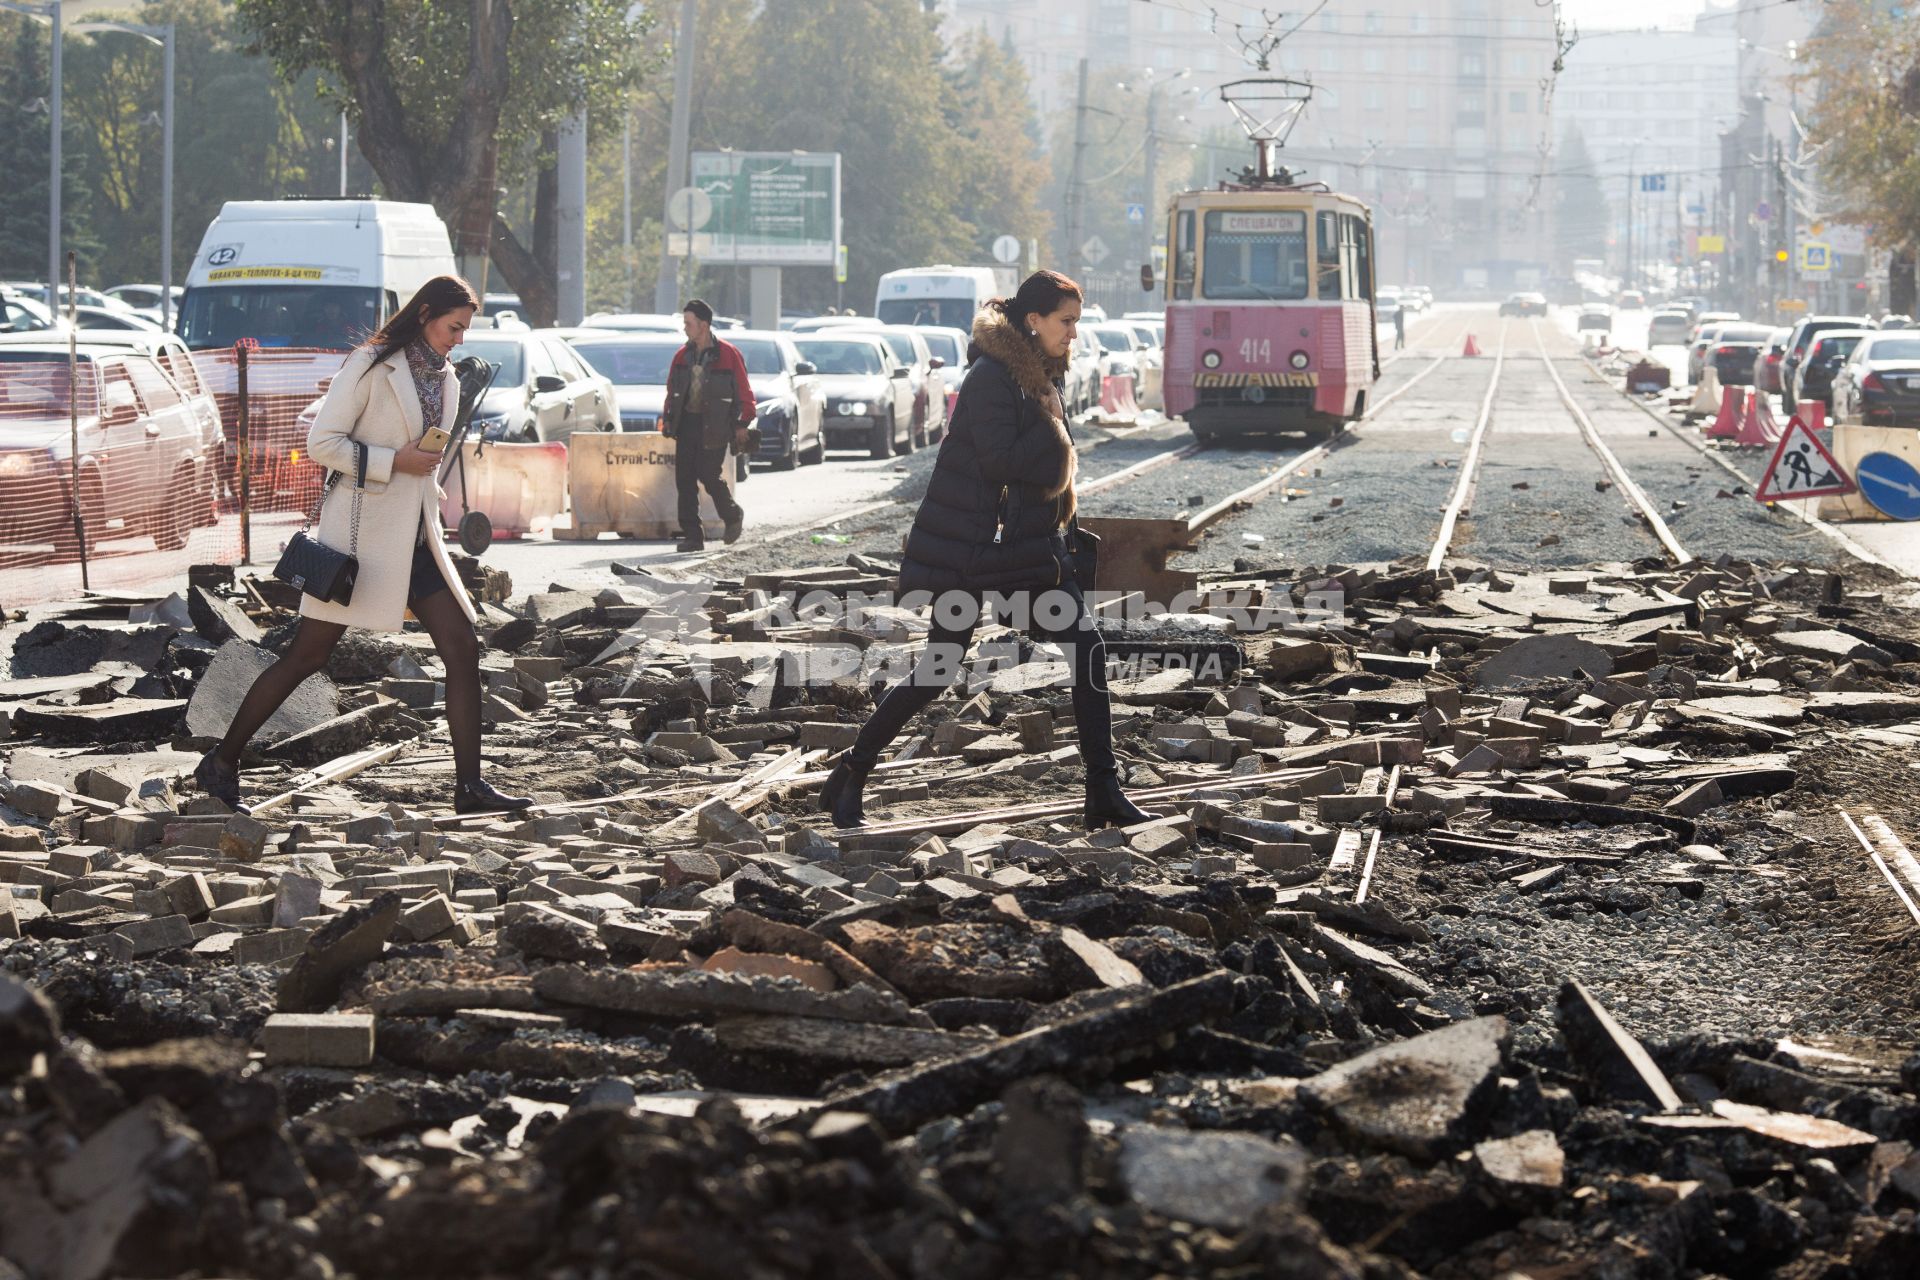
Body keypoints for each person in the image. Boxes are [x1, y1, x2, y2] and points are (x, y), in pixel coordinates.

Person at [819, 269, 1154, 832]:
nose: (1074, 333)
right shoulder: (992, 377)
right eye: (1066, 322)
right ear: (1033, 321)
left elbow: (1039, 470)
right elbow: (1000, 459)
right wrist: (1053, 429)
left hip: (1026, 549)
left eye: (1076, 322)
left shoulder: (1040, 374)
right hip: (972, 549)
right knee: (940, 668)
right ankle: (852, 772)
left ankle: (1103, 789)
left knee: (1087, 651)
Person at [193, 276, 531, 817]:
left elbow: (427, 451)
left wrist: (424, 478)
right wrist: (392, 461)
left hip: (416, 536)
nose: (460, 339)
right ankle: (222, 760)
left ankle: (470, 787)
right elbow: (320, 444)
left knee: (463, 650)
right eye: (454, 326)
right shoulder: (371, 363)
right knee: (307, 655)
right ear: (425, 313)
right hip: (359, 537)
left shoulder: (445, 377)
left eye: (466, 329)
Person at [661, 299, 752, 553]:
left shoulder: (728, 354)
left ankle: (732, 515)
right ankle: (692, 536)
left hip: (717, 424)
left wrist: (743, 423)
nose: (685, 328)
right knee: (685, 479)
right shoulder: (682, 355)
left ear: (703, 325)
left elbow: (744, 391)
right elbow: (672, 390)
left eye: (688, 323)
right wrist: (668, 418)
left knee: (708, 473)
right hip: (687, 424)